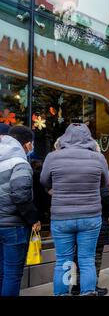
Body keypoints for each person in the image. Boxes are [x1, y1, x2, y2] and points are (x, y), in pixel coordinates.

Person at [40, 123, 109, 296]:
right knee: (87, 260)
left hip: (62, 217)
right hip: (91, 216)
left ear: (65, 137)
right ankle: (87, 292)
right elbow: (104, 182)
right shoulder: (98, 158)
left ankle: (62, 293)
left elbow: (44, 181)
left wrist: (55, 191)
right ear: (89, 138)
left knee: (63, 261)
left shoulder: (53, 157)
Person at [0, 127, 40, 296]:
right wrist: (33, 219)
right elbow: (21, 195)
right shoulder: (19, 162)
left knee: (2, 270)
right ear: (28, 144)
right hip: (13, 226)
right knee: (13, 273)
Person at [72, 186, 109, 296]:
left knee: (79, 255)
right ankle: (92, 286)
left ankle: (77, 285)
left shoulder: (79, 180)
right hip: (98, 223)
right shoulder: (99, 181)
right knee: (95, 256)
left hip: (79, 221)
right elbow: (107, 201)